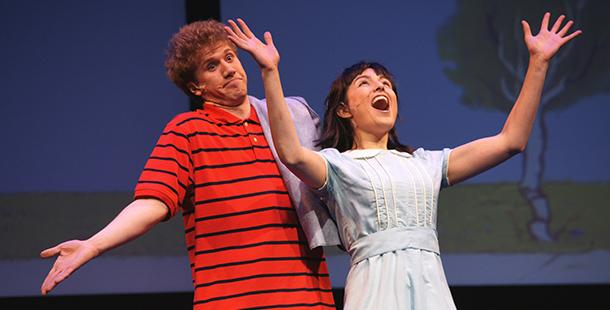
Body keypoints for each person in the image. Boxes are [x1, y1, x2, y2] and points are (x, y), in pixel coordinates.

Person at [225, 12, 581, 309]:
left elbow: (510, 142)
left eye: (386, 84)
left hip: (431, 290)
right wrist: (270, 71)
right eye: (365, 83)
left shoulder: (424, 164)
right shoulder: (337, 166)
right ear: (345, 109)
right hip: (373, 291)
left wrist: (538, 63)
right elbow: (290, 152)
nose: (381, 88)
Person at [39, 19, 339, 309]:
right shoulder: (187, 131)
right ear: (196, 87)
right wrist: (94, 244)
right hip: (228, 302)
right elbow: (152, 203)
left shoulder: (286, 123)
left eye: (230, 57)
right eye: (212, 65)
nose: (228, 69)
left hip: (306, 300)